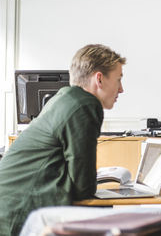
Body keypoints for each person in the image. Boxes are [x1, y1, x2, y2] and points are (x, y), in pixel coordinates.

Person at [0, 44, 126, 235]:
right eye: (118, 80)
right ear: (99, 78)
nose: (121, 89)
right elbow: (84, 187)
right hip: (18, 212)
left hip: (10, 205)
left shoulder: (65, 98)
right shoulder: (85, 104)